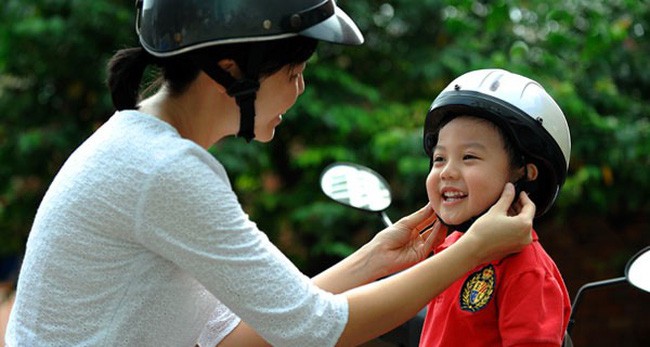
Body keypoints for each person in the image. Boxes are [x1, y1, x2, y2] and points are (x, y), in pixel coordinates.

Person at [5, 2, 535, 346]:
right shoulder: (165, 171)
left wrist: (378, 257)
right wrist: (472, 252)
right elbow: (315, 330)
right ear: (234, 71)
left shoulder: (139, 148)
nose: (300, 91)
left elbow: (242, 332)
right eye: (294, 72)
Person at [418, 68, 572, 347]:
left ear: (524, 174)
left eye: (469, 157)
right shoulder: (448, 247)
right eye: (439, 158)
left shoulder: (527, 270)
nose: (446, 172)